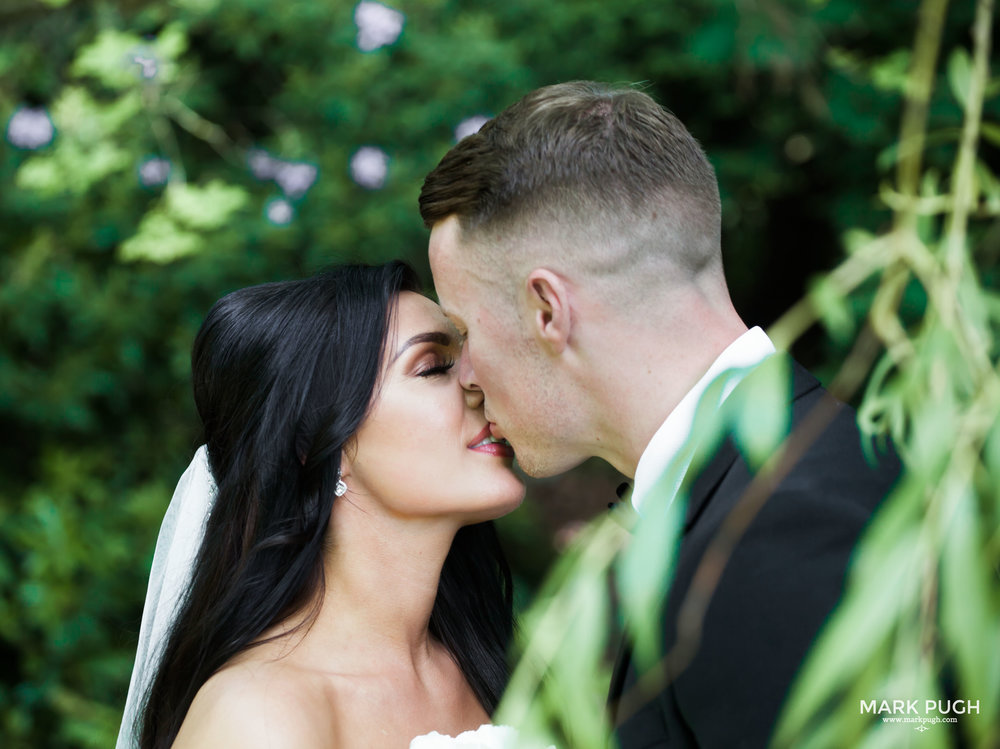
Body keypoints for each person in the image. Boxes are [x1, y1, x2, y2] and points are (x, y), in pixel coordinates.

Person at [419, 81, 900, 747]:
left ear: (548, 311)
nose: (465, 377)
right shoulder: (802, 467)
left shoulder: (778, 531)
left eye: (467, 330)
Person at [117, 262, 525, 749]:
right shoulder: (257, 718)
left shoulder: (493, 661)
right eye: (435, 366)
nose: (481, 382)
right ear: (316, 447)